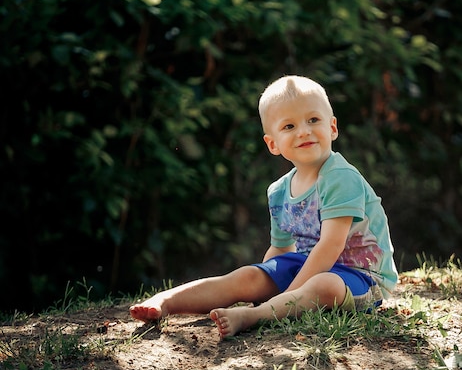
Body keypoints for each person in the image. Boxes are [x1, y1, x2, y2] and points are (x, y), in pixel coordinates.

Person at [129, 75, 398, 338]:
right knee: (247, 276)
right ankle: (167, 301)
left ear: (332, 128)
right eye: (289, 126)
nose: (303, 130)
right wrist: (265, 285)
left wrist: (284, 296)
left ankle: (253, 317)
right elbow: (281, 249)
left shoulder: (341, 177)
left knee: (322, 285)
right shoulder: (279, 190)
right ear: (272, 144)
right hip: (308, 264)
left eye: (313, 120)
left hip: (361, 279)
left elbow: (331, 245)